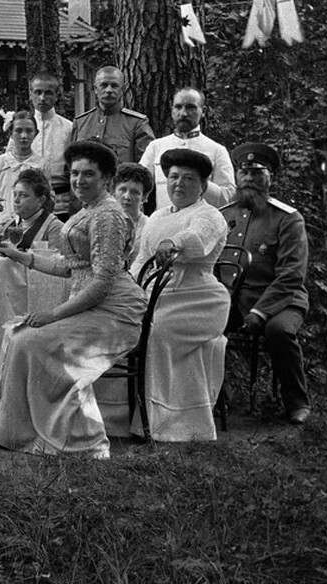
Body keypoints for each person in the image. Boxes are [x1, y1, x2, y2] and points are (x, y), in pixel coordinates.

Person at [0, 140, 148, 459]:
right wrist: (22, 256)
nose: (79, 180)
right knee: (20, 336)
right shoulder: (89, 210)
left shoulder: (108, 216)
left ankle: (81, 440)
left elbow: (102, 282)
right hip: (93, 303)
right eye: (74, 173)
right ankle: (15, 432)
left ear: (106, 179)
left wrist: (54, 315)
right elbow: (72, 267)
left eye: (88, 174)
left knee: (33, 341)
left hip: (114, 312)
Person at [130, 148, 231, 442]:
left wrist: (172, 241)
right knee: (123, 323)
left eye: (188, 179)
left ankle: (166, 422)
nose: (179, 184)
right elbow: (142, 258)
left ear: (202, 186)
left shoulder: (209, 215)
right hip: (156, 294)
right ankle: (123, 414)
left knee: (157, 331)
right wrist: (131, 284)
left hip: (198, 297)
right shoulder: (157, 216)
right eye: (173, 177)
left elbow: (196, 238)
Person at [221, 142, 311, 425]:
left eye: (257, 172)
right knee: (201, 323)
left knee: (280, 332)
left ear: (270, 177)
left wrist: (261, 312)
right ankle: (215, 398)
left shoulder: (287, 219)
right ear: (236, 177)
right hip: (232, 299)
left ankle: (296, 401)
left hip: (282, 300)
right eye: (243, 172)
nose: (248, 178)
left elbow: (292, 275)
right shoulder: (224, 215)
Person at [138, 87, 236, 210]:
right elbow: (137, 184)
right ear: (172, 110)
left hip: (201, 223)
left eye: (190, 107)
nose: (183, 113)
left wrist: (198, 181)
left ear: (203, 111)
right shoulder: (156, 147)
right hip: (165, 223)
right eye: (178, 107)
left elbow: (228, 198)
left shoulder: (217, 150)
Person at [69, 65, 154, 165]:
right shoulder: (80, 123)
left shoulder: (137, 124)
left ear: (122, 90)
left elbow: (147, 166)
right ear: (96, 89)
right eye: (104, 85)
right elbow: (70, 162)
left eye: (114, 85)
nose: (109, 90)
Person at [28, 72, 73, 221]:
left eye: (48, 93)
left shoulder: (69, 129)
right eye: (38, 92)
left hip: (61, 205)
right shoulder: (22, 128)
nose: (42, 98)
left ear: (57, 95)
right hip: (28, 204)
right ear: (31, 94)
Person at [0, 111, 47, 219]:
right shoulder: (0, 163)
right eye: (18, 131)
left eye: (29, 131)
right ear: (11, 133)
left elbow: (46, 200)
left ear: (36, 133)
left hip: (32, 226)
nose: (24, 136)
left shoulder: (41, 164)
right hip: (4, 225)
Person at [0, 168, 63, 251]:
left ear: (40, 200)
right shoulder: (7, 226)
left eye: (23, 195)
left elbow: (55, 262)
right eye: (15, 194)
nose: (16, 200)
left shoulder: (54, 228)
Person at [112, 162, 153, 267]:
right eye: (122, 190)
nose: (127, 197)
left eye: (135, 192)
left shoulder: (150, 227)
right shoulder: (99, 221)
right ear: (113, 192)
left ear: (144, 197)